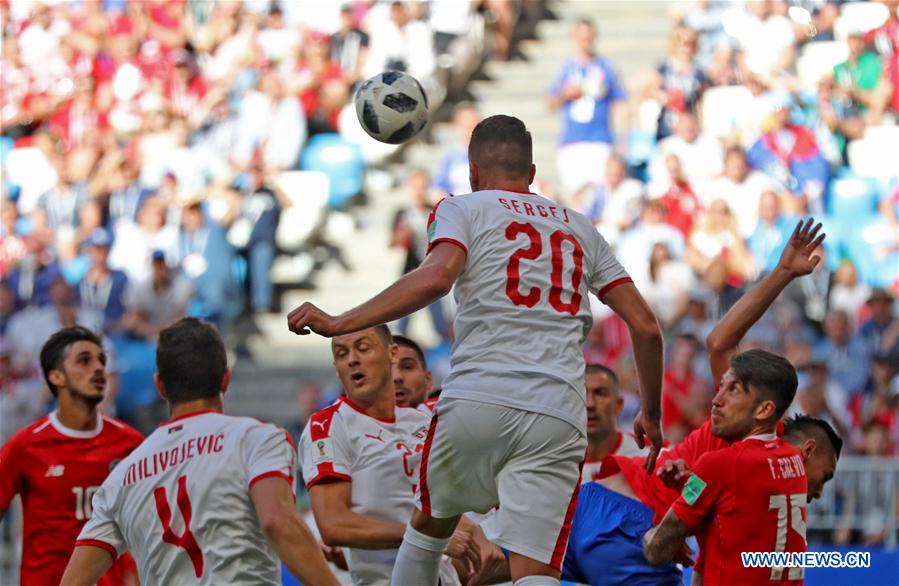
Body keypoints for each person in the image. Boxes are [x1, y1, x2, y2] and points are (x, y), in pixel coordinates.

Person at [287, 114, 664, 586]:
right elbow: (646, 327)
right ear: (531, 174)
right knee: (535, 569)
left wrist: (341, 322)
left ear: (472, 171)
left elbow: (438, 276)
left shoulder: (462, 208)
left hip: (478, 398)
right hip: (557, 415)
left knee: (428, 528)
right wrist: (651, 412)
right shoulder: (581, 227)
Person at [563, 219, 840, 586]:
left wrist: (677, 524)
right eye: (824, 476)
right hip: (628, 525)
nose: (818, 492)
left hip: (592, 507)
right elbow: (720, 343)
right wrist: (783, 273)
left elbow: (708, 560)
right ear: (805, 450)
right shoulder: (746, 434)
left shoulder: (742, 476)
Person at [60, 318, 338, 586]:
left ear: (160, 386)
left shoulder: (121, 477)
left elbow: (74, 580)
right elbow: (277, 522)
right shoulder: (257, 439)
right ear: (226, 379)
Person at [299, 325, 486, 585]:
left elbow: (439, 501)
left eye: (363, 348)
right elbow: (333, 524)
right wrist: (427, 537)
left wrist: (475, 536)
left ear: (391, 353)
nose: (352, 359)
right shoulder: (329, 425)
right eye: (341, 354)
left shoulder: (422, 419)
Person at [642, 349, 809, 584]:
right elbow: (732, 526)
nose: (716, 399)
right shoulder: (793, 459)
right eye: (721, 386)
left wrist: (654, 531)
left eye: (734, 390)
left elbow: (656, 549)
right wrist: (692, 488)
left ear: (764, 410)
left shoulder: (718, 465)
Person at [0, 326, 143, 586]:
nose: (99, 368)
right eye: (84, 361)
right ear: (56, 376)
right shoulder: (25, 446)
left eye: (101, 360)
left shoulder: (130, 445)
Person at [547, 18, 628, 195]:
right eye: (581, 38)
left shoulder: (606, 67)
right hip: (572, 141)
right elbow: (550, 102)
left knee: (598, 195)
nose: (585, 42)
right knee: (576, 198)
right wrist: (565, 94)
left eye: (588, 37)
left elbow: (619, 103)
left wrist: (622, 139)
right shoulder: (566, 68)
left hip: (600, 140)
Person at [582, 363, 647, 483]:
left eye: (600, 393)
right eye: (582, 394)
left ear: (619, 405)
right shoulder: (556, 463)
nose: (590, 404)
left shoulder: (648, 454)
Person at [392, 334, 435, 410]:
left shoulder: (451, 416)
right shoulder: (364, 421)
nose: (397, 377)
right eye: (386, 370)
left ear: (428, 380)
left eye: (407, 367)